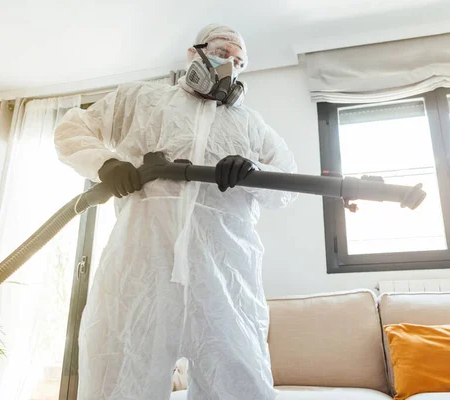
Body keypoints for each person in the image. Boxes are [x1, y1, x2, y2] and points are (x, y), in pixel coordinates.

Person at [54, 24, 297, 399]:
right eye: (221, 51)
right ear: (193, 53)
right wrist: (106, 164)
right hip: (141, 267)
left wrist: (254, 173)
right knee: (121, 372)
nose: (229, 64)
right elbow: (73, 127)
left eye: (239, 60)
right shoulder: (141, 101)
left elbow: (287, 185)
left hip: (224, 274)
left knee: (238, 377)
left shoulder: (251, 125)